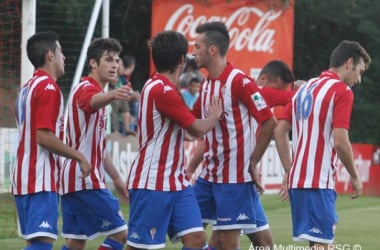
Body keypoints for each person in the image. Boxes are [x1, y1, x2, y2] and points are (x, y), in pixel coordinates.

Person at [125, 30, 223, 250]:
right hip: (152, 182)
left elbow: (185, 132)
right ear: (181, 60)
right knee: (140, 247)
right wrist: (215, 116)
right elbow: (196, 130)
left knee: (196, 240)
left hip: (176, 181)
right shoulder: (163, 90)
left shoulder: (160, 87)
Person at [187, 59, 295, 249]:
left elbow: (208, 141)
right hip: (234, 180)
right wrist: (305, 87)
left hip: (243, 181)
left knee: (261, 243)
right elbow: (295, 98)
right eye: (279, 88)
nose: (280, 93)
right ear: (263, 79)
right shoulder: (258, 91)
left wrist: (190, 168)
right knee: (223, 239)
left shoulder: (244, 95)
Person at [273, 40, 371, 249]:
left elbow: (280, 131)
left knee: (320, 244)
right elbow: (340, 141)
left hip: (298, 183)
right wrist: (355, 176)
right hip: (318, 183)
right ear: (349, 62)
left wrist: (291, 170)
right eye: (360, 71)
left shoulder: (304, 88)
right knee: (323, 245)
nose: (359, 79)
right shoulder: (342, 91)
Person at [191, 21, 276, 250]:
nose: (193, 52)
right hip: (209, 177)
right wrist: (189, 169)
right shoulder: (206, 84)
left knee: (233, 242)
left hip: (236, 180)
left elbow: (269, 122)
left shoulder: (240, 82)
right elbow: (195, 128)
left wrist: (253, 162)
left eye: (197, 46)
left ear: (212, 50)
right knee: (191, 233)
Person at [12, 31, 91, 250]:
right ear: (50, 55)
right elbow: (43, 137)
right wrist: (79, 156)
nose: (64, 57)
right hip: (39, 178)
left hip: (24, 176)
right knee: (43, 244)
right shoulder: (49, 88)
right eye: (61, 52)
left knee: (36, 241)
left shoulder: (26, 89)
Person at [59, 38, 130, 250]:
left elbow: (99, 148)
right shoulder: (86, 88)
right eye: (108, 59)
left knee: (75, 243)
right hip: (84, 180)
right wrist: (112, 94)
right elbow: (90, 102)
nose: (115, 64)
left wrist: (117, 178)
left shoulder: (99, 94)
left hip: (74, 179)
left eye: (117, 60)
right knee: (120, 234)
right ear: (93, 63)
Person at [109, 54, 139, 136]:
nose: (123, 67)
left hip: (116, 126)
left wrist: (127, 129)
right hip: (112, 124)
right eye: (121, 64)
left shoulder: (120, 82)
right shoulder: (108, 83)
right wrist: (130, 97)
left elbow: (124, 106)